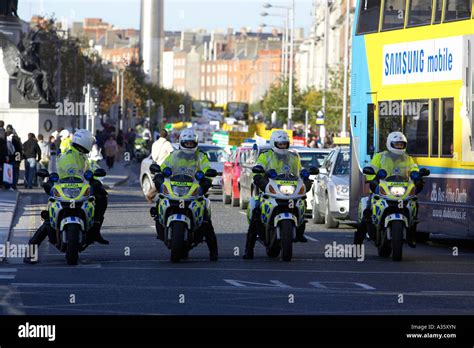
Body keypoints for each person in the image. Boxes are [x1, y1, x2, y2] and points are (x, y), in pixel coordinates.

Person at [24, 129, 110, 264]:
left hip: (78, 189)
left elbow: (87, 171)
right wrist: (50, 182)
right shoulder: (69, 156)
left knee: (102, 197)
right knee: (48, 220)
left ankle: (95, 227)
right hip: (65, 189)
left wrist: (94, 178)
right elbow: (69, 172)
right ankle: (30, 251)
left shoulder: (81, 155)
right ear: (85, 142)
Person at [149, 128, 218, 261]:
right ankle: (159, 217)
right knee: (160, 200)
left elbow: (207, 169)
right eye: (187, 143)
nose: (189, 145)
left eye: (192, 143)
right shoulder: (174, 155)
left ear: (195, 143)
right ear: (182, 142)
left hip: (193, 189)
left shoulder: (201, 156)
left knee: (205, 219)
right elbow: (163, 168)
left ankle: (213, 251)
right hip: (176, 188)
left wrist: (206, 179)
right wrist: (160, 174)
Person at [243, 131, 312, 260]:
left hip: (288, 189)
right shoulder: (266, 155)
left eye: (284, 144)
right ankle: (249, 250)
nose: (282, 146)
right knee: (256, 210)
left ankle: (300, 230)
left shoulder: (293, 157)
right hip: (271, 189)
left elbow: (299, 170)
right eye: (280, 144)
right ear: (274, 144)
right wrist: (260, 176)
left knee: (303, 202)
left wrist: (305, 175)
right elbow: (258, 168)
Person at [355, 132, 421, 248]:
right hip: (382, 188)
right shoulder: (380, 157)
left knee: (414, 203)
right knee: (367, 211)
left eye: (401, 144)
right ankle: (357, 243)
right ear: (390, 144)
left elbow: (414, 168)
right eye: (397, 144)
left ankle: (412, 234)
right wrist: (374, 177)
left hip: (401, 188)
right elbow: (371, 170)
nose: (399, 146)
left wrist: (416, 175)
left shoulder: (408, 159)